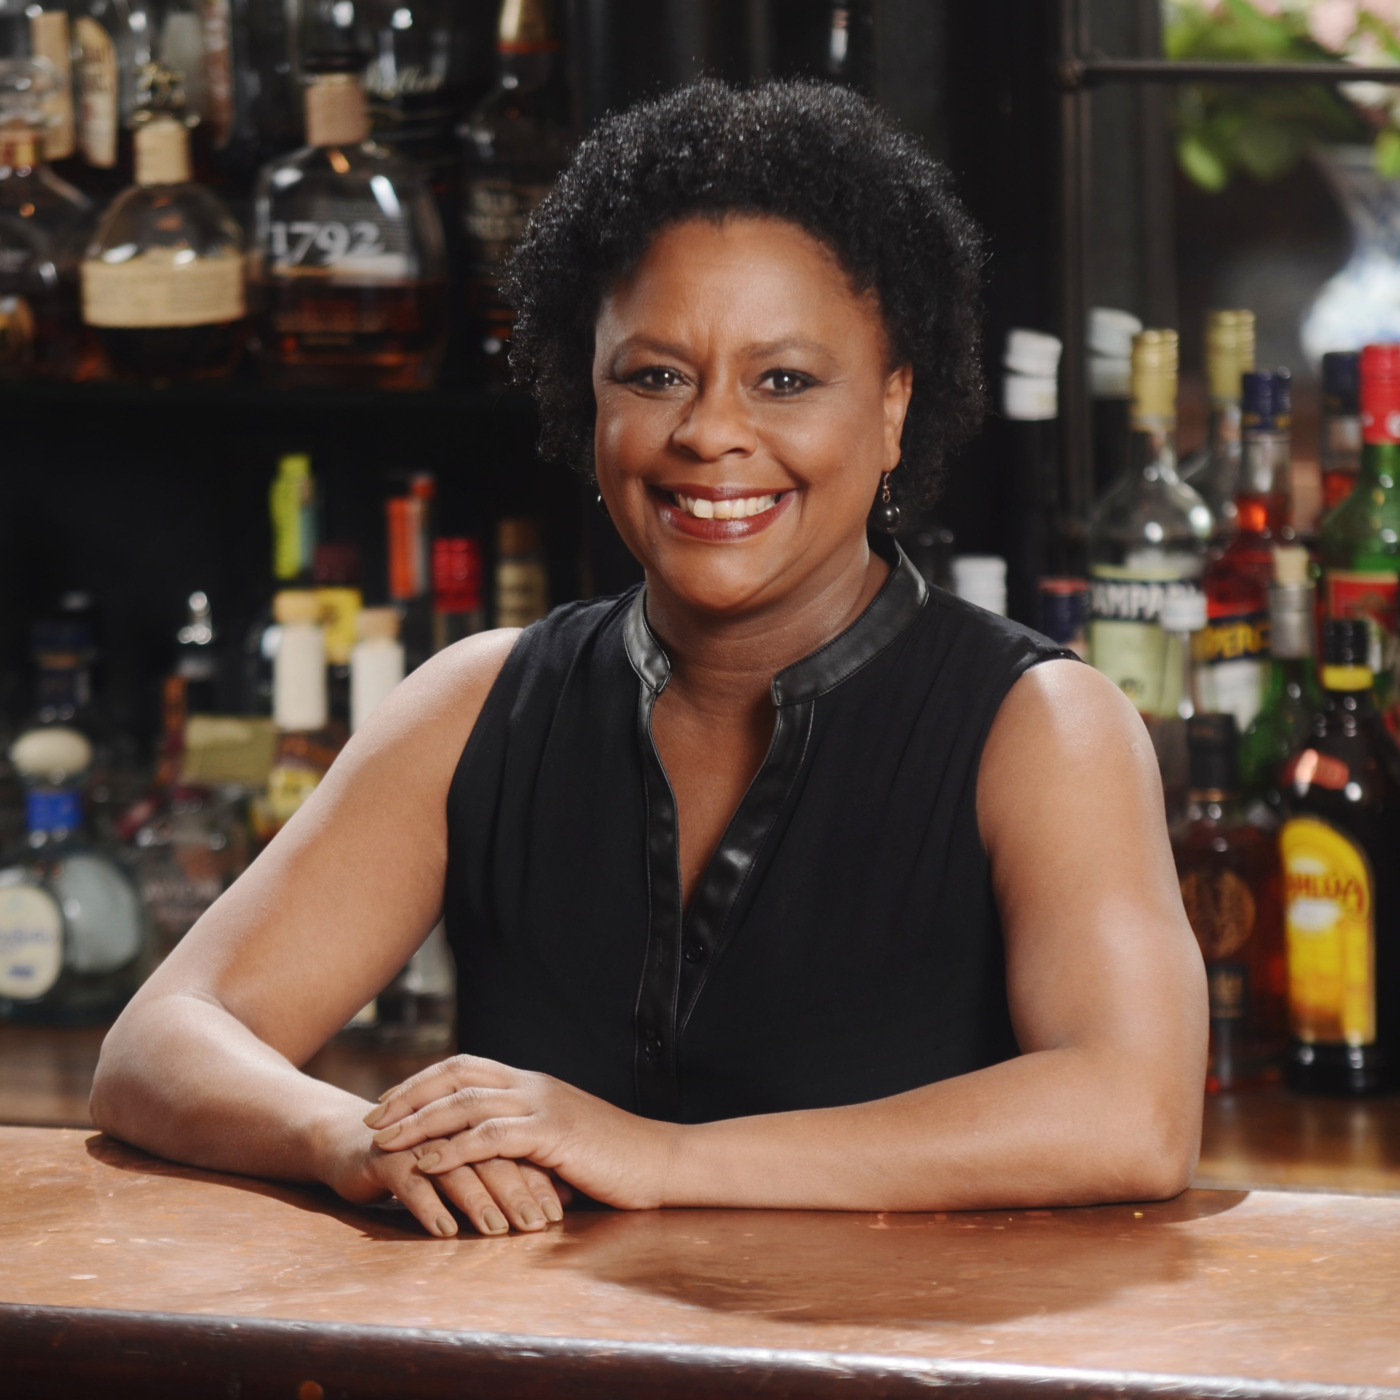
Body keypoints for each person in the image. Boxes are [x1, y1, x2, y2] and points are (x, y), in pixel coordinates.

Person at [91, 80, 1206, 1239]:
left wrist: (652, 1153)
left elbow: (1130, 1110)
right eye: (654, 375)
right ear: (590, 393)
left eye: (783, 380)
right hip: (531, 1341)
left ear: (890, 409)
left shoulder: (1040, 725)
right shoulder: (478, 703)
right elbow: (159, 1040)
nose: (709, 432)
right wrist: (353, 1138)